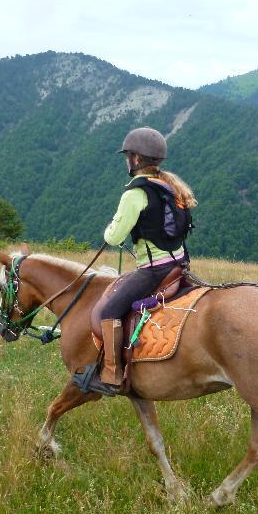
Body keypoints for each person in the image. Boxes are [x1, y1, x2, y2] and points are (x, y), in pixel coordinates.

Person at [91, 126, 197, 393]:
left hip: (154, 270)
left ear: (136, 159)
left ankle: (112, 374)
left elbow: (114, 238)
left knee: (109, 311)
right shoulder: (169, 187)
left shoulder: (135, 193)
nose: (127, 160)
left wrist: (109, 228)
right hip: (180, 263)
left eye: (128, 156)